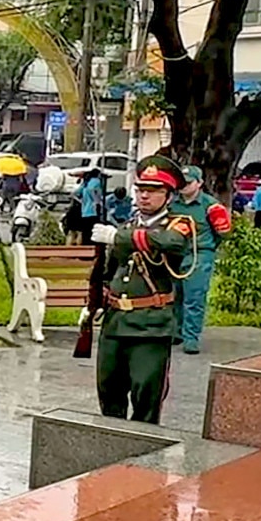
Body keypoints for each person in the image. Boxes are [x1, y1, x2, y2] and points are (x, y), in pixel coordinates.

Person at [90, 155, 196, 424]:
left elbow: (171, 244)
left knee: (146, 396)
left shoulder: (178, 225)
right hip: (115, 324)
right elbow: (110, 273)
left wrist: (117, 237)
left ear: (169, 195)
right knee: (109, 392)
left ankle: (142, 459)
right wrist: (93, 303)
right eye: (140, 190)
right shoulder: (127, 226)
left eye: (153, 190)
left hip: (150, 325)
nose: (144, 196)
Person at [168, 166, 232, 355]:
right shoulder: (172, 204)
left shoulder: (210, 206)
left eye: (188, 183)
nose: (184, 187)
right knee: (174, 295)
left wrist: (208, 246)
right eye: (181, 183)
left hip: (199, 254)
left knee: (194, 297)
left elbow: (223, 233)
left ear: (199, 183)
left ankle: (191, 338)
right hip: (175, 254)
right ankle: (175, 332)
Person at [72, 168, 107, 243]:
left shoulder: (86, 182)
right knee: (93, 231)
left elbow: (75, 193)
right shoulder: (96, 181)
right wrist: (96, 201)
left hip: (84, 211)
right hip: (93, 210)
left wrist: (81, 201)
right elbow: (95, 191)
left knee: (85, 232)